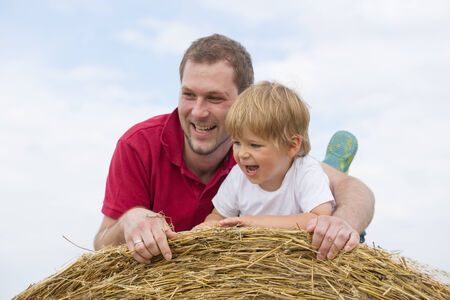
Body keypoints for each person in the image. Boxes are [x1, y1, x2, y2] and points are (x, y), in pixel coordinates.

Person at [94, 34, 374, 264]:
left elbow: (353, 189)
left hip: (277, 260)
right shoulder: (139, 145)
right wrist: (130, 219)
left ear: (244, 100)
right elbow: (101, 244)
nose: (199, 112)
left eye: (215, 98)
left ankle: (334, 162)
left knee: (329, 185)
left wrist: (341, 224)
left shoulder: (262, 144)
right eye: (189, 94)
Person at [194, 81, 334, 231]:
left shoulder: (305, 171)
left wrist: (254, 223)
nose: (242, 154)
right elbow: (218, 216)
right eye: (237, 142)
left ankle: (334, 164)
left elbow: (319, 218)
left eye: (255, 145)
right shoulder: (238, 177)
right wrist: (206, 228)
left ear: (291, 146)